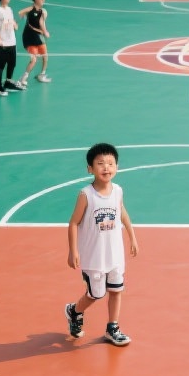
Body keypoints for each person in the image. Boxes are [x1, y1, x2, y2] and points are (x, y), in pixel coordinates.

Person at [64, 143, 139, 347]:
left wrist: (132, 236)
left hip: (115, 255)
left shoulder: (118, 191)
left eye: (110, 163)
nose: (106, 167)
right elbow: (73, 222)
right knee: (95, 294)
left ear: (117, 167)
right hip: (94, 257)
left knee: (116, 290)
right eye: (100, 163)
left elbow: (122, 212)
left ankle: (112, 327)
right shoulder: (86, 195)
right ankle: (74, 311)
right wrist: (73, 251)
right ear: (90, 168)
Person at [0, 0, 25, 95]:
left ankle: (8, 82)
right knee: (1, 65)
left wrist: (15, 24)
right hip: (2, 43)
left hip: (12, 41)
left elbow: (11, 21)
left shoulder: (9, 9)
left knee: (12, 63)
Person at [17, 0, 52, 84]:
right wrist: (18, 20)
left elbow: (41, 23)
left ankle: (42, 75)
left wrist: (45, 31)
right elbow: (20, 13)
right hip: (29, 37)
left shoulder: (43, 11)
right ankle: (23, 78)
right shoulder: (30, 9)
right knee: (34, 59)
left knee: (45, 56)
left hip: (39, 36)